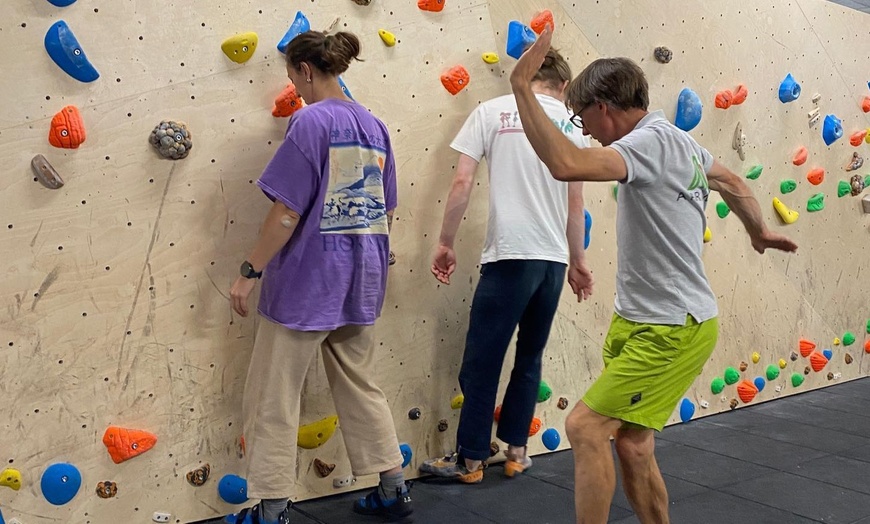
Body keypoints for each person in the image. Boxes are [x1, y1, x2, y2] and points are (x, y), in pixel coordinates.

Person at [508, 27, 799, 524]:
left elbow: (565, 163)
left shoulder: (646, 144)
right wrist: (759, 231)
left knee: (584, 427)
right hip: (645, 321)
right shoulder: (678, 141)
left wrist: (520, 86)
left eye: (582, 118)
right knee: (634, 447)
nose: (584, 130)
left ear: (604, 106)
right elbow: (729, 178)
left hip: (670, 329)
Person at [227, 30, 412, 524]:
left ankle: (270, 510)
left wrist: (250, 271)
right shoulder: (374, 125)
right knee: (360, 385)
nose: (296, 88)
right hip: (362, 281)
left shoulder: (309, 122)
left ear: (306, 70)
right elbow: (386, 208)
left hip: (309, 285)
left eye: (293, 77)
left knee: (273, 395)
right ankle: (394, 489)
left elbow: (287, 213)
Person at [421, 47, 594, 484]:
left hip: (510, 254)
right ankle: (517, 451)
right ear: (565, 86)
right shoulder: (575, 126)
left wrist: (445, 241)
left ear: (526, 74)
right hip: (552, 262)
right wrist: (578, 262)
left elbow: (463, 182)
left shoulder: (492, 110)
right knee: (529, 357)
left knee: (483, 359)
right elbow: (576, 204)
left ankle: (472, 459)